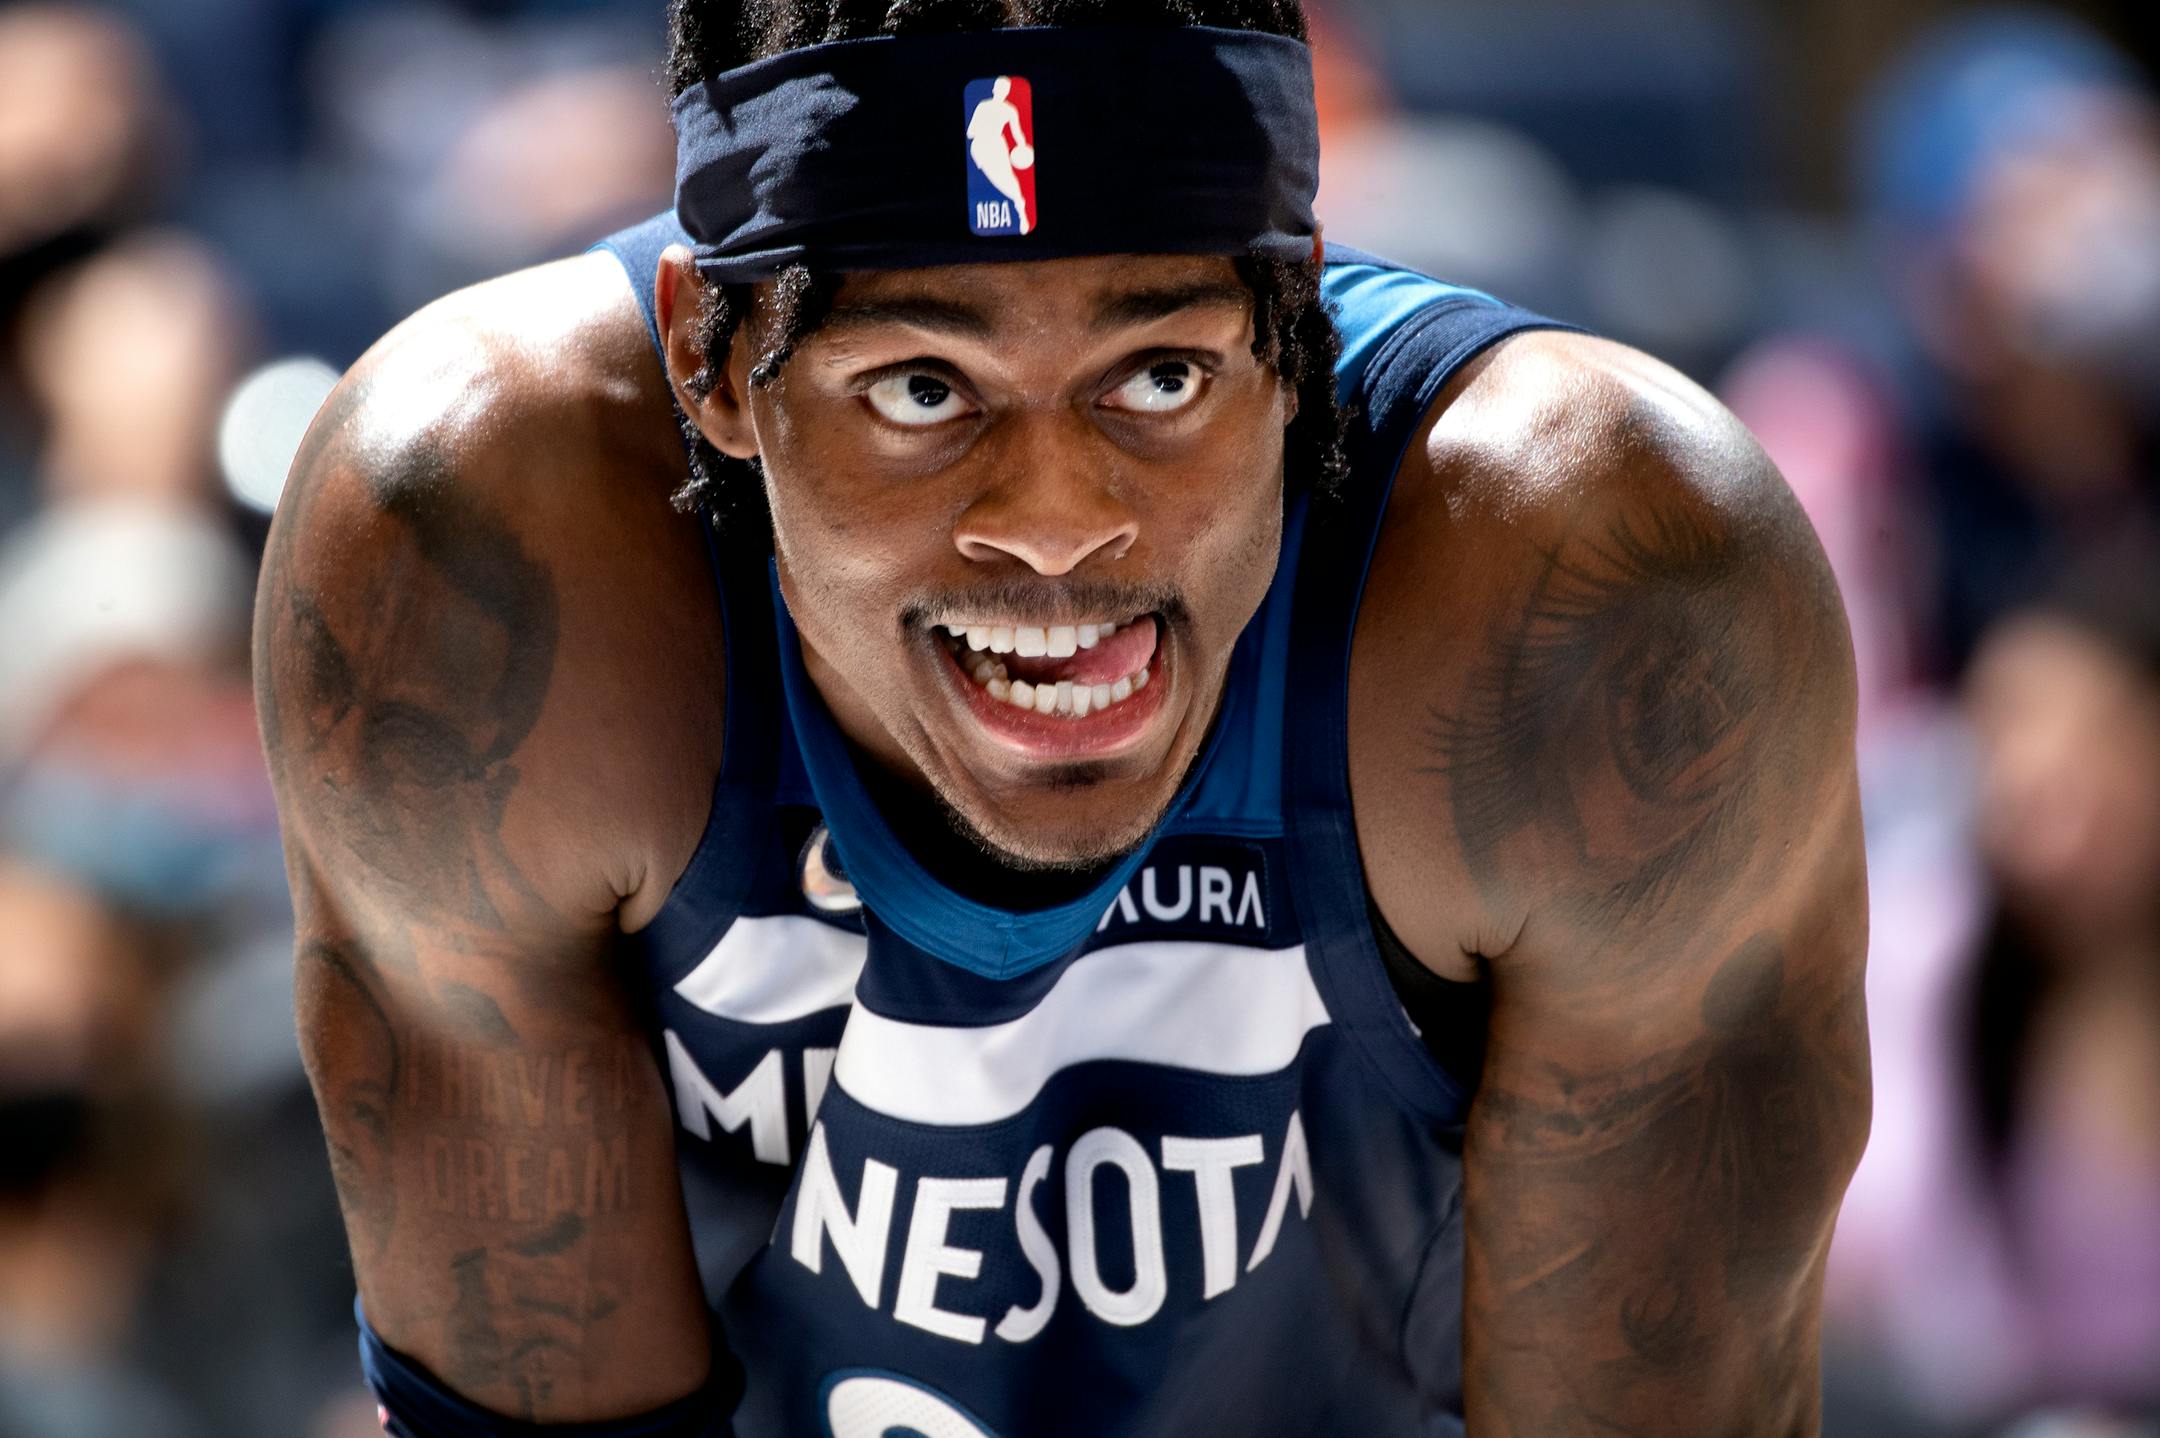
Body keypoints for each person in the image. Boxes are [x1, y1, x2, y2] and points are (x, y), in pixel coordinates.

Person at [254, 1, 1870, 1434]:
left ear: (1295, 325)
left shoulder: (1602, 621)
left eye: (1158, 375)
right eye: (923, 389)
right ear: (712, 361)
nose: (1055, 521)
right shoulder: (476, 572)